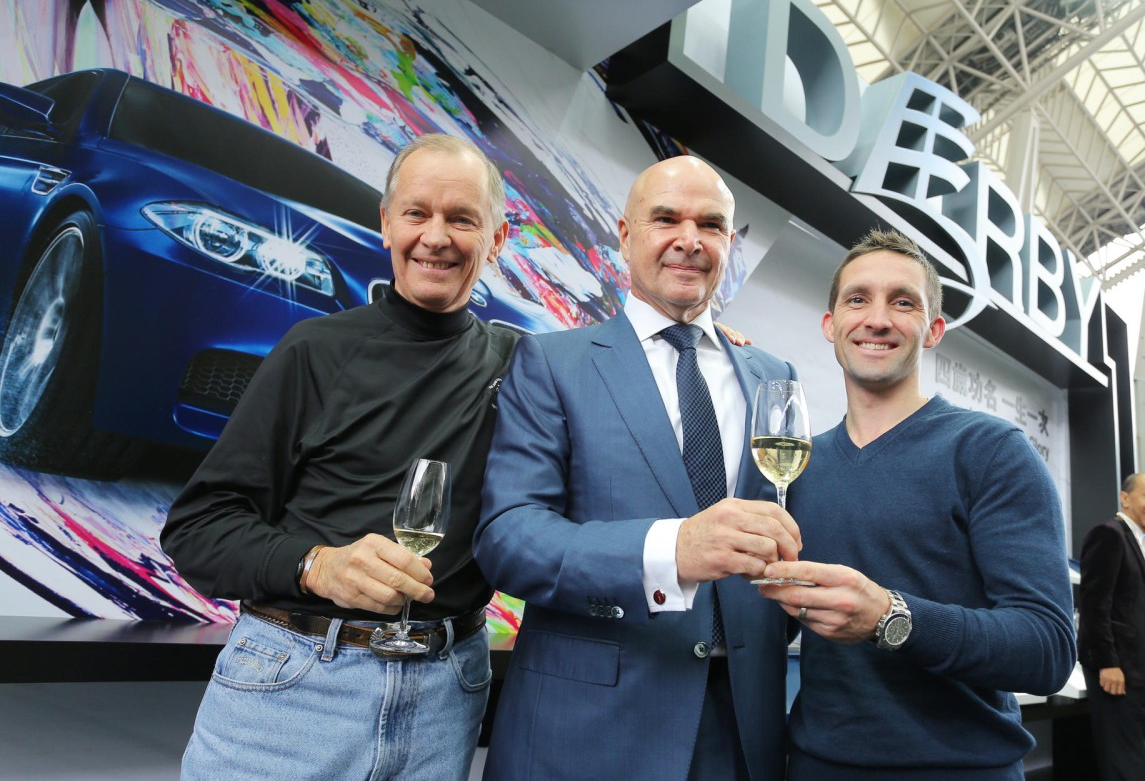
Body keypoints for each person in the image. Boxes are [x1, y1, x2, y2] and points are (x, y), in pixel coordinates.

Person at [160, 133, 517, 781]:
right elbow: (196, 529)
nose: (435, 237)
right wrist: (317, 566)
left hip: (444, 698)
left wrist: (708, 343)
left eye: (461, 218)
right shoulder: (312, 351)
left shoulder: (522, 367)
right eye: (416, 213)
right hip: (291, 688)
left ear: (497, 238)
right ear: (386, 223)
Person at [474, 155, 801, 780]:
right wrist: (672, 550)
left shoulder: (772, 376)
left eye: (710, 224)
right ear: (625, 236)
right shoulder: (551, 362)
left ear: (729, 243)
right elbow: (509, 539)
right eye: (666, 219)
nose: (689, 239)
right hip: (588, 733)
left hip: (741, 731)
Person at [756, 229, 1077, 780]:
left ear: (932, 331)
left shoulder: (992, 451)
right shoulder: (797, 467)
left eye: (902, 302)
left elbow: (1046, 649)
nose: (877, 318)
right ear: (831, 325)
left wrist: (889, 617)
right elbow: (769, 629)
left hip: (961, 770)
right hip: (815, 766)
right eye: (858, 299)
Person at [1079, 472, 1145, 781]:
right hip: (1121, 670)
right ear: (1125, 499)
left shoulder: (1139, 540)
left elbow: (1132, 603)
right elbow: (1095, 604)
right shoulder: (1109, 534)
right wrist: (1107, 663)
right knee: (1125, 766)